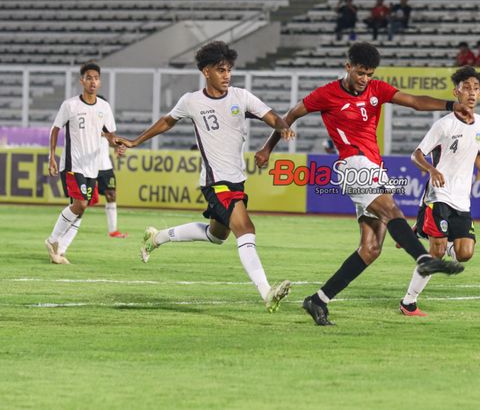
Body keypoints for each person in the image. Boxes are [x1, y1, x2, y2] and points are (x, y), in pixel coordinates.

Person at [255, 42, 470, 326]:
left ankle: (318, 300)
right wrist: (268, 147)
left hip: (374, 168)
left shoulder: (376, 90)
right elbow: (291, 115)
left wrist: (450, 105)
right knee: (392, 210)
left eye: (369, 74)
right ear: (348, 67)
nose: (364, 79)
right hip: (352, 165)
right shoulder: (327, 94)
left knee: (370, 249)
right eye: (360, 72)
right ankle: (421, 257)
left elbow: (415, 102)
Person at [115, 41, 294, 313]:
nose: (227, 75)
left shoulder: (241, 97)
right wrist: (136, 141)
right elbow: (166, 121)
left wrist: (283, 129)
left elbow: (272, 117)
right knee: (245, 229)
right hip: (215, 182)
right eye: (221, 70)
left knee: (217, 235)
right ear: (206, 71)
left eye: (229, 70)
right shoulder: (191, 101)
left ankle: (157, 238)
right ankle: (266, 292)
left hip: (236, 180)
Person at [399, 67, 480, 316]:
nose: (472, 92)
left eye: (475, 88)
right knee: (436, 251)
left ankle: (425, 229)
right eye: (466, 87)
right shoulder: (444, 124)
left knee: (465, 254)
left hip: (462, 200)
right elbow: (416, 154)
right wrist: (431, 169)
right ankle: (409, 302)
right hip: (438, 194)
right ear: (456, 92)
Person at [45, 61, 124, 264]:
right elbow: (55, 129)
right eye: (89, 78)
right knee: (79, 204)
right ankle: (52, 240)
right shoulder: (70, 105)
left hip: (92, 168)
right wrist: (52, 156)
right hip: (73, 164)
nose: (92, 81)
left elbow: (110, 135)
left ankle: (60, 251)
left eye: (96, 78)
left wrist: (119, 146)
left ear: (100, 82)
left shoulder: (104, 107)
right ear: (82, 81)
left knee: (81, 208)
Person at [97, 135, 128, 238]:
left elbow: (111, 136)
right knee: (81, 201)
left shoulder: (108, 118)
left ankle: (113, 231)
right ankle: (66, 228)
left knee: (111, 195)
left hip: (105, 166)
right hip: (87, 164)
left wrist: (117, 146)